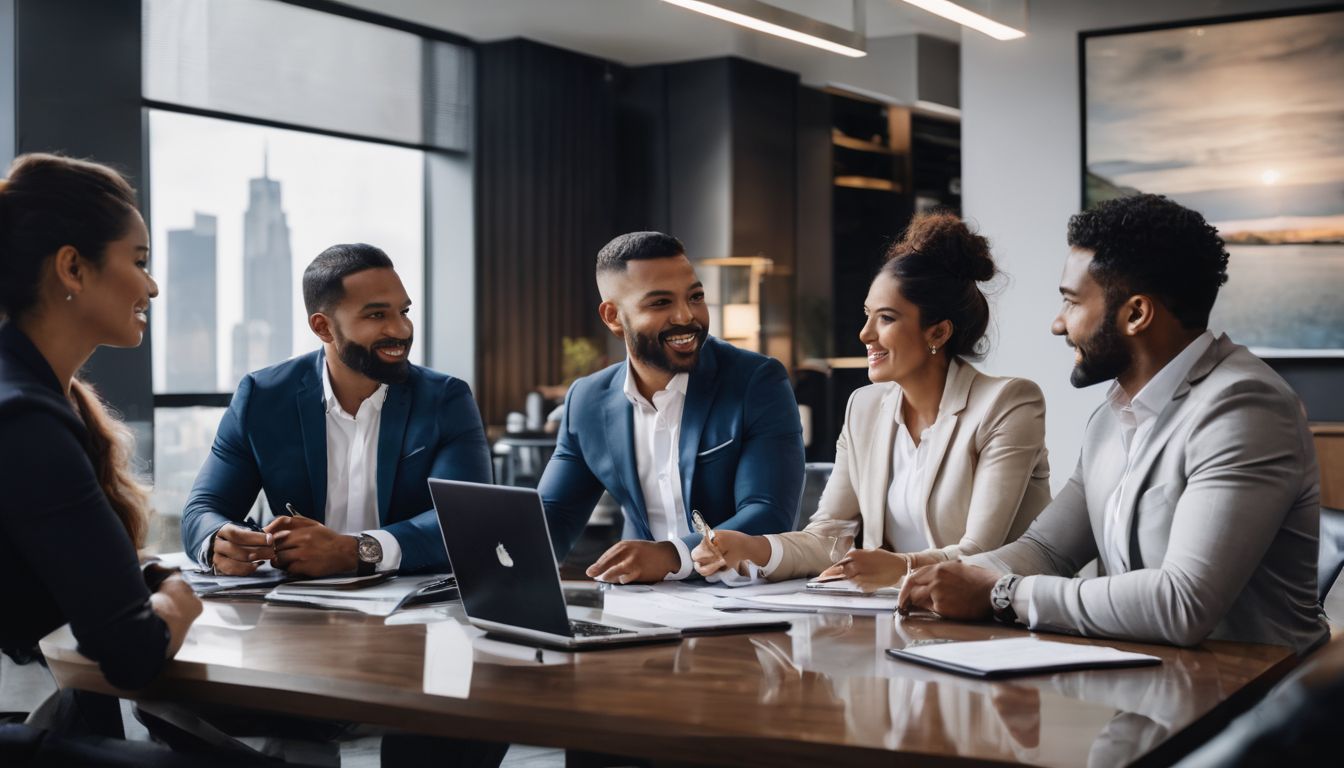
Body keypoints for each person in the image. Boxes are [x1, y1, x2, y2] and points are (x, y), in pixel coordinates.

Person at [896, 194, 1329, 653]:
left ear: (1136, 314)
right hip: (1157, 685)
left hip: (1259, 699)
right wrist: (939, 579)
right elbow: (1047, 550)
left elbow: (1182, 604)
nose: (1058, 325)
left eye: (1071, 303)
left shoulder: (1245, 409)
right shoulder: (1113, 416)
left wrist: (1000, 594)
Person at [692, 213, 1052, 589]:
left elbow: (981, 553)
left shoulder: (1009, 404)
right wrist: (752, 547)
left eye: (887, 319)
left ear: (939, 332)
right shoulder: (863, 408)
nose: (866, 334)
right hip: (904, 619)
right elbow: (828, 537)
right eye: (868, 315)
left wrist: (900, 567)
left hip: (1003, 623)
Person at [0, 153, 201, 707]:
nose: (153, 286)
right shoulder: (25, 422)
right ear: (73, 268)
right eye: (138, 261)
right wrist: (179, 595)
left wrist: (150, 572)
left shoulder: (34, 399)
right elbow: (133, 651)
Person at [181, 243, 491, 577]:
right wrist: (219, 542)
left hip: (416, 613)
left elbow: (466, 521)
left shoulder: (446, 400)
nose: (400, 330)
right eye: (377, 315)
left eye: (403, 311)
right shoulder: (263, 396)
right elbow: (202, 510)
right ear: (323, 327)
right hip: (292, 613)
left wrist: (359, 550)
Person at [539, 231, 805, 583]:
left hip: (742, 599)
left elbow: (767, 514)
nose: (686, 316)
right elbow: (552, 517)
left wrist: (671, 555)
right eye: (660, 303)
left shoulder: (756, 381)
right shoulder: (586, 400)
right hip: (637, 606)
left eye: (695, 297)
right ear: (613, 317)